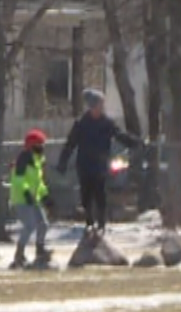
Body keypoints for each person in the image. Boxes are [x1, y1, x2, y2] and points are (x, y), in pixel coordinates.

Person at [56, 88, 141, 234]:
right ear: (92, 107)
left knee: (100, 194)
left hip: (99, 165)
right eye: (99, 105)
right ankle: (89, 223)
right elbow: (70, 144)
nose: (102, 108)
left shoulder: (106, 123)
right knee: (86, 195)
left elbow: (119, 135)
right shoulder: (81, 123)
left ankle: (101, 223)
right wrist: (62, 162)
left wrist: (134, 142)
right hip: (84, 164)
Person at [10, 128, 52, 270]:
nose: (42, 147)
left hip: (33, 199)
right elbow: (18, 180)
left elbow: (38, 183)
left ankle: (40, 251)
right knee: (30, 225)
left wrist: (45, 195)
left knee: (43, 224)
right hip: (21, 199)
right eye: (40, 144)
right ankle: (19, 254)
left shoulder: (37, 161)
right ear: (32, 145)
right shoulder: (23, 159)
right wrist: (26, 192)